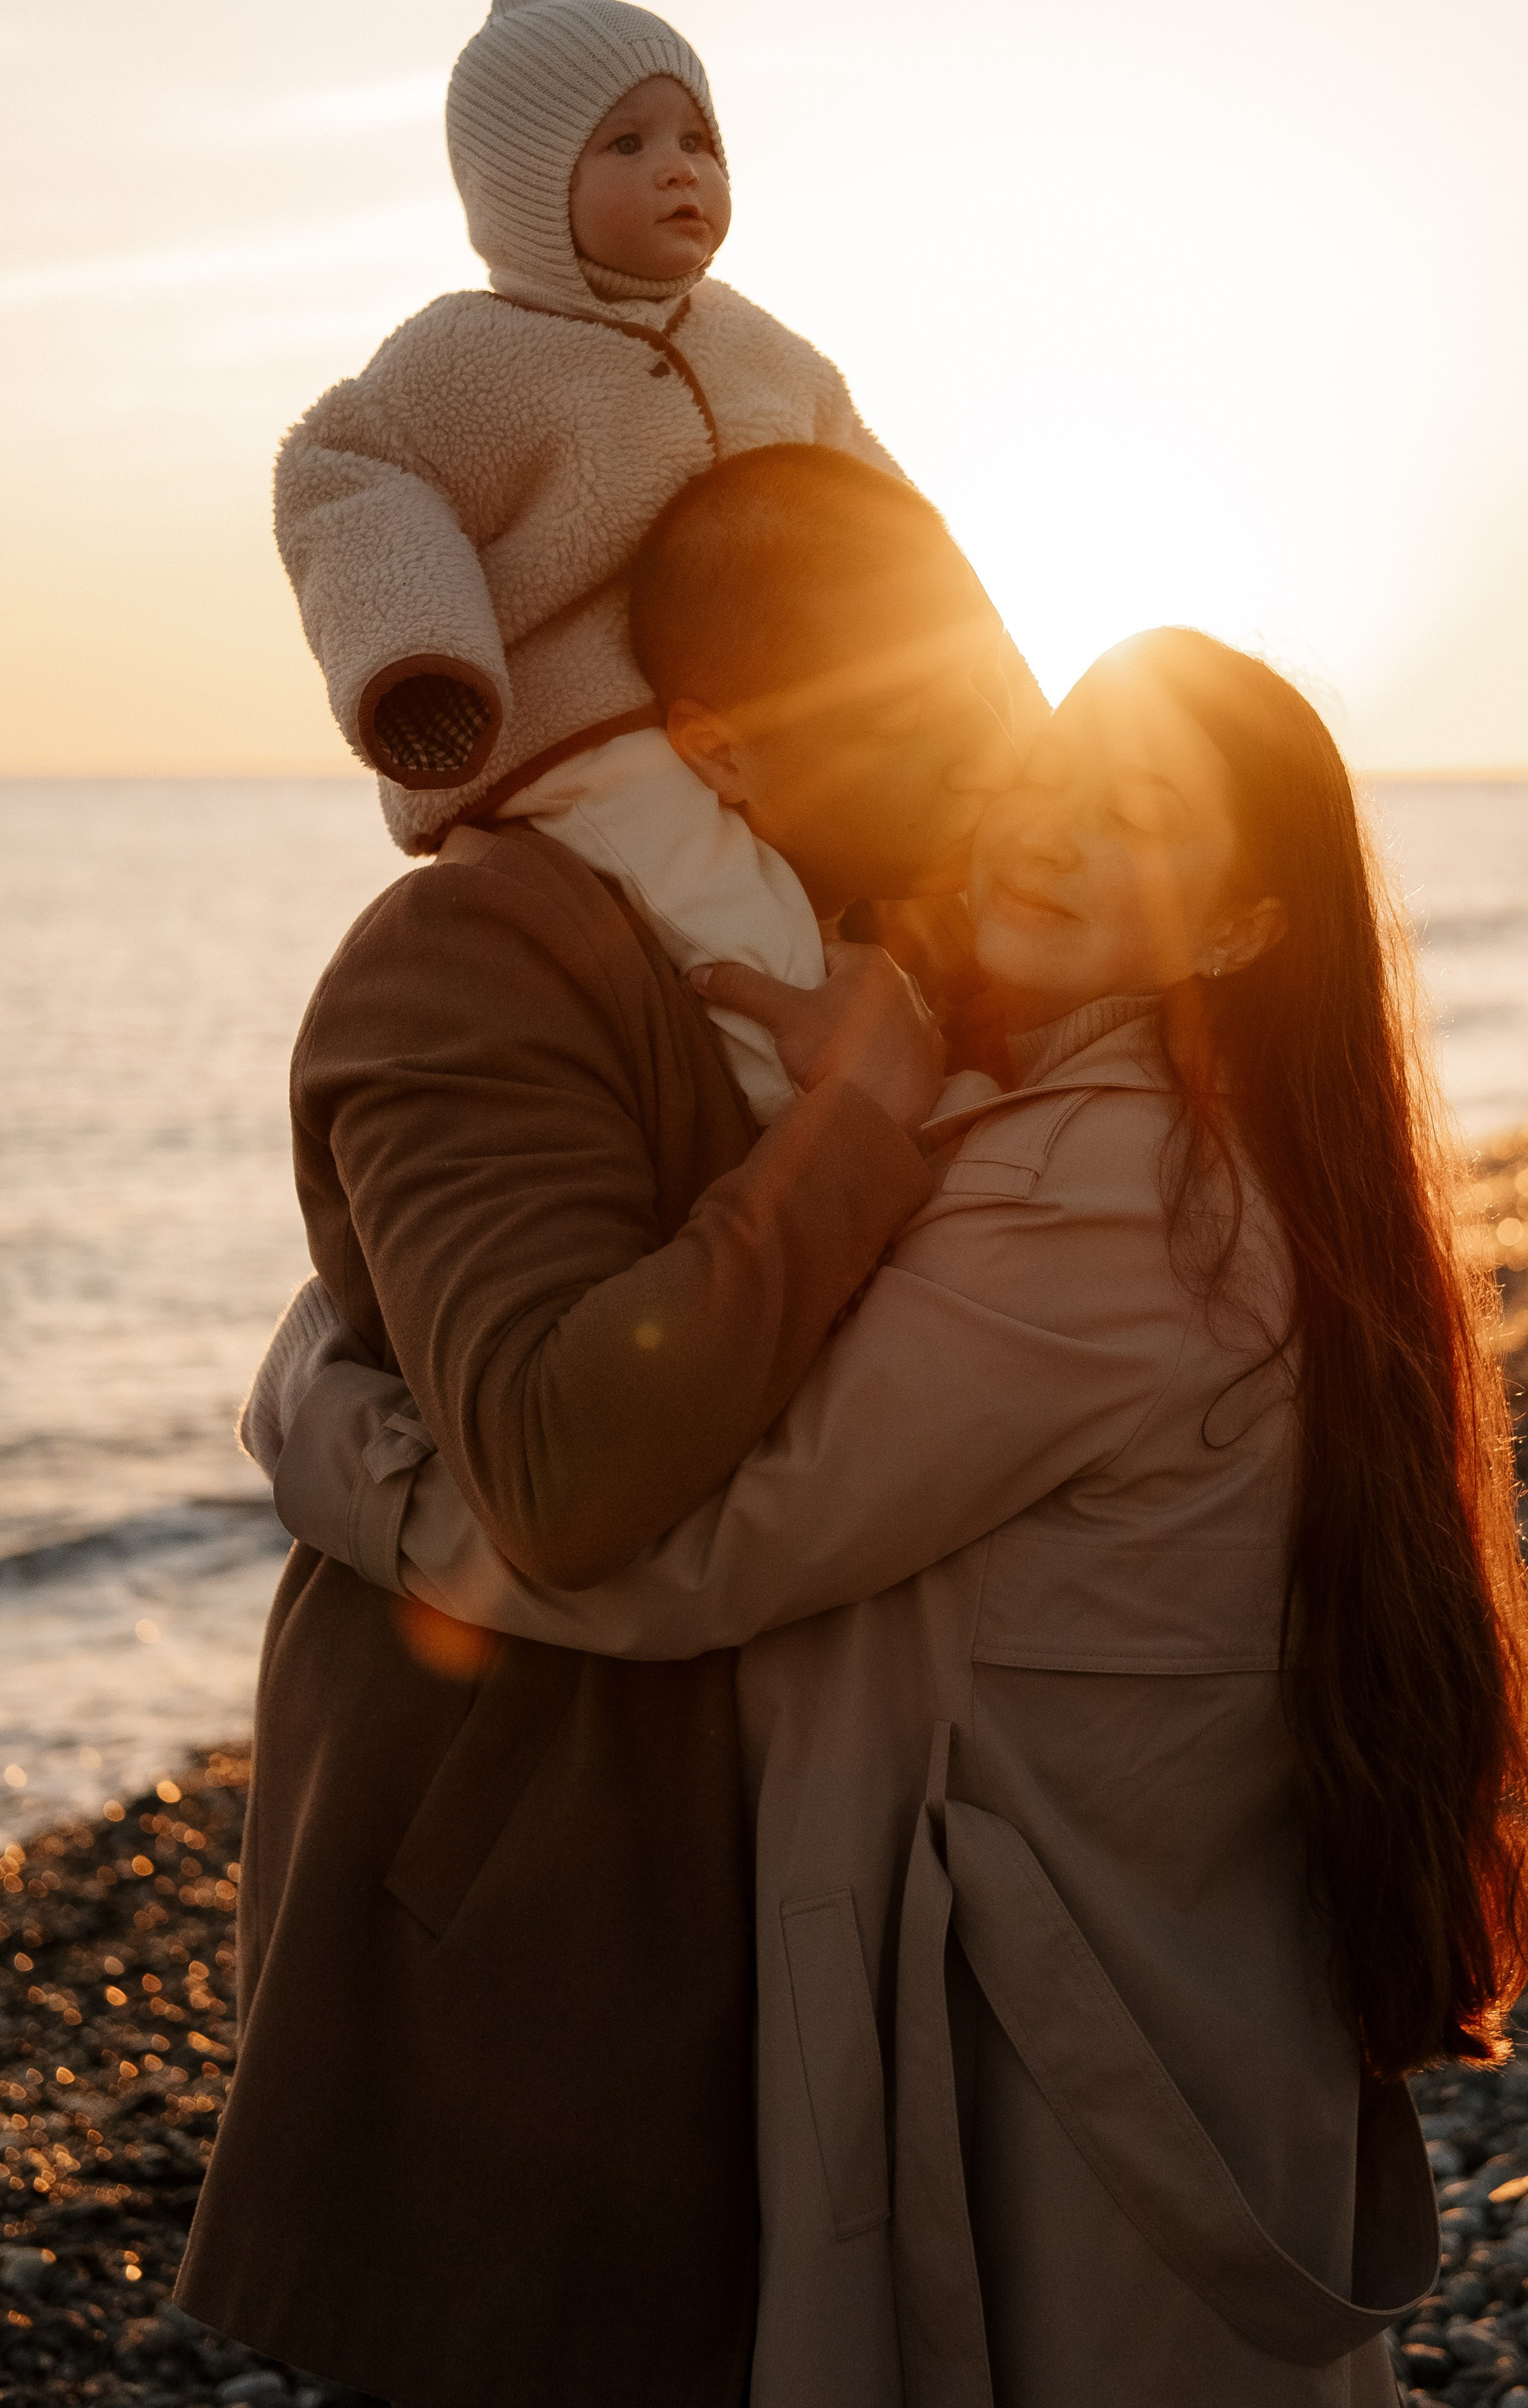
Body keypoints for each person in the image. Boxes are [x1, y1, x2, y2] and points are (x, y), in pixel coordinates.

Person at [271, 631, 1528, 2405]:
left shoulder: (1109, 1209)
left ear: (1240, 925)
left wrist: (331, 1433)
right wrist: (871, 1084)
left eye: (1139, 816)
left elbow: (685, 1560)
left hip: (1077, 2069)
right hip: (1162, 1994)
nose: (1048, 827)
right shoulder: (1196, 1148)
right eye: (1054, 771)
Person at [174, 454, 1021, 2407]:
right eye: (925, 706)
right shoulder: (479, 958)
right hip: (533, 1934)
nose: (994, 752)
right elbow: (562, 1466)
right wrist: (855, 1131)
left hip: (815, 1885)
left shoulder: (897, 938)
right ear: (718, 748)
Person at [275, 0, 1037, 1120]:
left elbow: (883, 514)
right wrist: (421, 664)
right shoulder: (470, 358)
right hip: (582, 724)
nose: (678, 169)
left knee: (923, 855)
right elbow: (345, 472)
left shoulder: (761, 348)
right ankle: (831, 1116)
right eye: (626, 145)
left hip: (762, 712)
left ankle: (1008, 1065)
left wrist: (984, 662)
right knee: (734, 911)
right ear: (525, 186)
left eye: (697, 140)